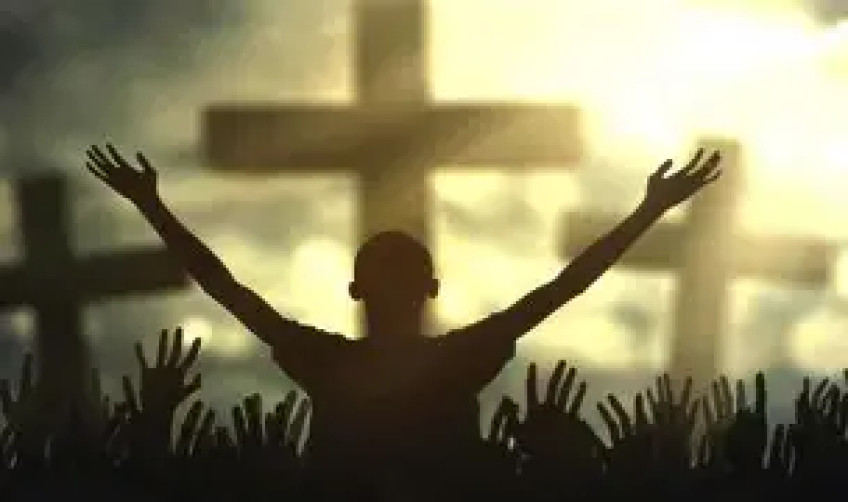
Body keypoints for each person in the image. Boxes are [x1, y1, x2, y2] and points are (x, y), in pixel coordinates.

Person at [84, 144, 721, 497]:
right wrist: (647, 211)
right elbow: (566, 286)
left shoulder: (332, 362)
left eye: (398, 274)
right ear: (430, 290)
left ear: (356, 290)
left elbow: (226, 289)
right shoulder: (449, 360)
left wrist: (153, 206)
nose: (393, 287)